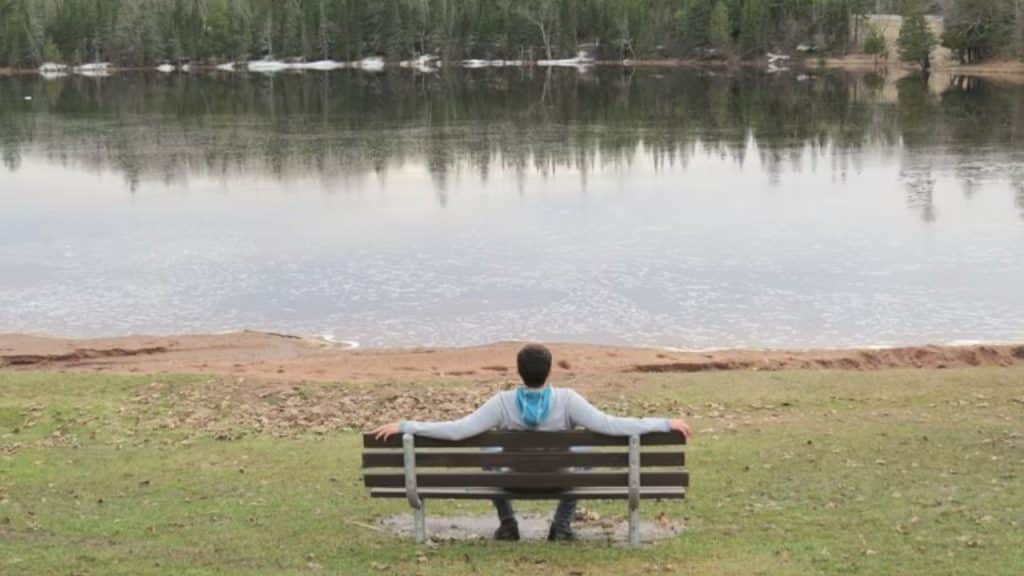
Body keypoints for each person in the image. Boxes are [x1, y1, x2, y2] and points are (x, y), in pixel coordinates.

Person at [372, 344, 692, 542]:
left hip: (511, 481)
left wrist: (406, 425)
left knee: (489, 453)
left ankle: (508, 524)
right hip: (561, 481)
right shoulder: (567, 401)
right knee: (584, 454)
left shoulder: (502, 403)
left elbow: (458, 431)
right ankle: (562, 525)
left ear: (519, 372)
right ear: (549, 370)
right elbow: (611, 425)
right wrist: (663, 423)